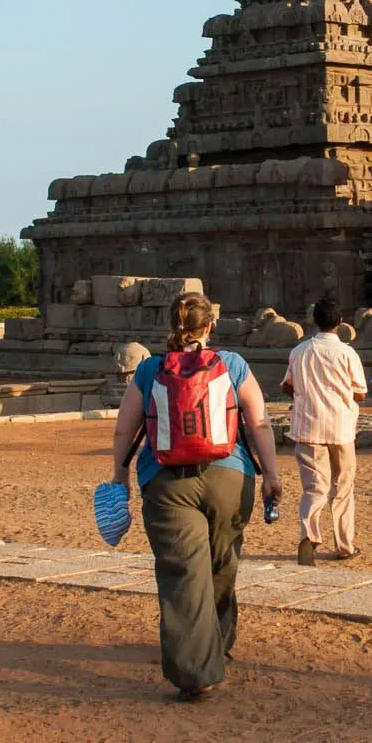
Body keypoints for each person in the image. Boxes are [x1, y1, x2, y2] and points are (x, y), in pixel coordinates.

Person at [109, 292, 282, 701]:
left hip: (166, 481)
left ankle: (196, 672)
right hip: (230, 476)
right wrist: (271, 473)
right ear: (209, 327)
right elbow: (258, 422)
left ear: (171, 326)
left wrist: (119, 474)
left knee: (183, 572)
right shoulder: (232, 364)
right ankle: (218, 642)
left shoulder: (150, 369)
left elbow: (124, 429)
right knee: (222, 562)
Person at [280, 297, 368, 567]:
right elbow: (361, 392)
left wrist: (305, 392)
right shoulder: (347, 353)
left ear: (313, 320)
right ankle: (344, 544)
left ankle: (309, 534)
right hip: (341, 427)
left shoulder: (299, 351)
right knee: (343, 488)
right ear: (340, 323)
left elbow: (287, 385)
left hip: (308, 426)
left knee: (313, 487)